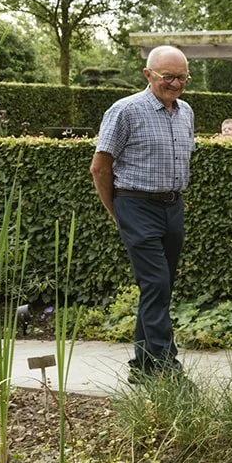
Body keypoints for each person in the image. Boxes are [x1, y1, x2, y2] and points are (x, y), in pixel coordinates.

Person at [90, 45, 196, 382]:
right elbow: (99, 167)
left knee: (159, 287)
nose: (176, 83)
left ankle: (142, 365)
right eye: (168, 77)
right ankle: (167, 367)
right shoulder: (125, 111)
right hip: (135, 203)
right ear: (148, 74)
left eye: (182, 77)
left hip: (172, 205)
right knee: (155, 282)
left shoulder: (186, 112)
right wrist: (117, 211)